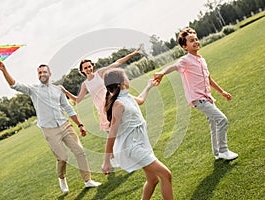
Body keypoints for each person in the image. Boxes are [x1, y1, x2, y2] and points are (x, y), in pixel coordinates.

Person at [0, 60, 101, 194]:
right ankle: (62, 178)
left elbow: (68, 108)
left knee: (80, 152)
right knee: (62, 158)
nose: (42, 74)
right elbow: (14, 85)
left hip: (65, 125)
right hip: (49, 130)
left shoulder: (58, 89)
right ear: (37, 75)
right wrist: (4, 70)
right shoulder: (33, 90)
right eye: (39, 72)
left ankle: (87, 180)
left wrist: (80, 124)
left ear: (49, 74)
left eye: (44, 71)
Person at [153, 27, 238, 161]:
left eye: (196, 39)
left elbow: (208, 79)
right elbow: (174, 66)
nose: (196, 42)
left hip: (207, 98)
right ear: (184, 46)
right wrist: (162, 73)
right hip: (198, 99)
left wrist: (222, 92)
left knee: (215, 124)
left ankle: (217, 153)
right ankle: (223, 151)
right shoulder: (185, 60)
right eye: (191, 41)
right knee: (222, 120)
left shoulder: (201, 60)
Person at [101, 68, 173, 200]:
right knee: (166, 175)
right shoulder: (118, 104)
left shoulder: (126, 96)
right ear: (121, 82)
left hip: (140, 143)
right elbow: (112, 134)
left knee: (153, 180)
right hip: (132, 147)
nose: (128, 79)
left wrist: (148, 86)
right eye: (126, 77)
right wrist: (106, 161)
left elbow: (140, 99)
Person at [60, 47, 140, 132]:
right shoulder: (85, 85)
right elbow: (77, 100)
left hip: (112, 104)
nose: (88, 69)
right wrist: (65, 91)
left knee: (125, 129)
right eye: (85, 68)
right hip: (103, 113)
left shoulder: (100, 73)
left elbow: (117, 63)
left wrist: (132, 54)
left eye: (89, 66)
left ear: (92, 66)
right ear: (82, 70)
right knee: (112, 137)